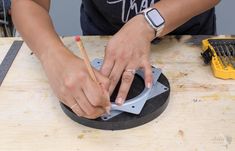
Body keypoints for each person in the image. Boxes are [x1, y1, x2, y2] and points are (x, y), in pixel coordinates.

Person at [11, 0, 220, 119]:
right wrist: (52, 56)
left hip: (186, 46)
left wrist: (148, 23)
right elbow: (29, 3)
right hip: (101, 41)